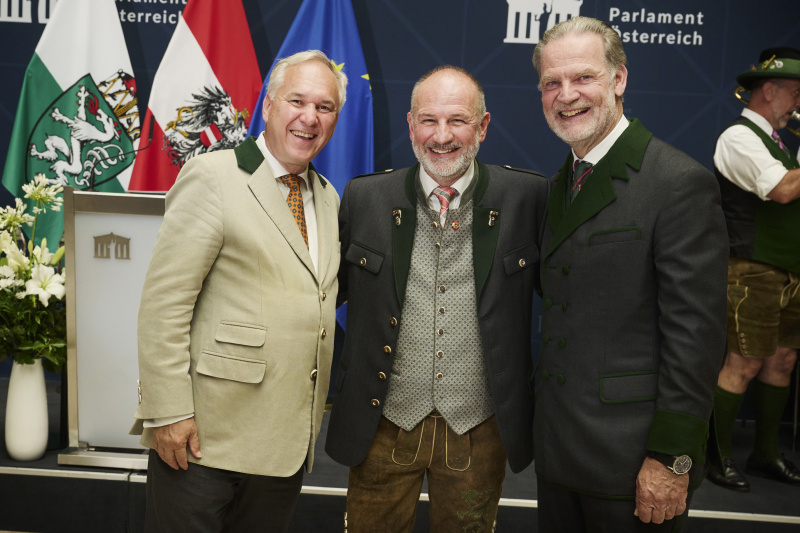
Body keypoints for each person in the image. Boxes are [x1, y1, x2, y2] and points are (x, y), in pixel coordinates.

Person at [325, 65, 549, 532]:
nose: (441, 135)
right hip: (380, 424)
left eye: (458, 120)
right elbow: (321, 297)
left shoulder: (527, 197)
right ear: (410, 125)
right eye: (428, 120)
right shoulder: (365, 197)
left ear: (482, 127)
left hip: (479, 429)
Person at [130, 50, 346, 532]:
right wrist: (166, 412)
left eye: (325, 107)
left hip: (283, 448)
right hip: (203, 440)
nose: (309, 118)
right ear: (268, 105)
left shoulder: (329, 198)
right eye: (296, 101)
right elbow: (164, 304)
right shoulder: (215, 176)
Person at [531, 17, 728, 531]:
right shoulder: (559, 185)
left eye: (583, 78)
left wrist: (672, 459)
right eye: (552, 83)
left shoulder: (678, 183)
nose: (566, 95)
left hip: (634, 463)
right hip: (558, 454)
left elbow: (697, 338)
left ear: (619, 80)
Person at [708, 47, 800, 492]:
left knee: (782, 360)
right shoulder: (739, 138)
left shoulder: (785, 144)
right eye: (796, 93)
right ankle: (715, 455)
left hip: (790, 271)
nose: (798, 103)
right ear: (770, 90)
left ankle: (766, 453)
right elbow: (781, 190)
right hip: (751, 271)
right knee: (742, 363)